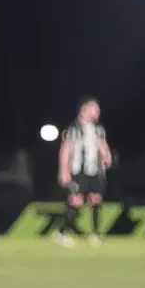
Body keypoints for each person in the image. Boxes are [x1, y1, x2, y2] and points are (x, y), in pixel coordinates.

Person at [56, 97, 112, 247]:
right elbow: (66, 150)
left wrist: (107, 156)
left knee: (96, 198)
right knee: (76, 200)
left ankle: (94, 233)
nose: (97, 112)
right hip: (77, 170)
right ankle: (63, 232)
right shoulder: (73, 128)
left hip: (94, 171)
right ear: (84, 109)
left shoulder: (98, 129)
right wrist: (63, 170)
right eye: (95, 109)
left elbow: (102, 144)